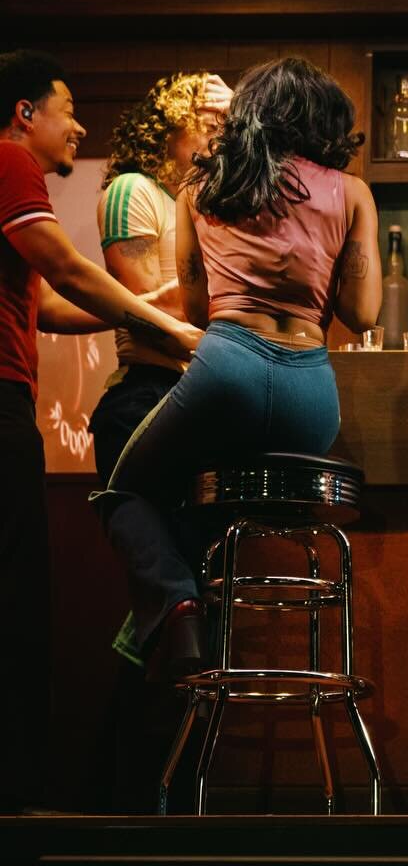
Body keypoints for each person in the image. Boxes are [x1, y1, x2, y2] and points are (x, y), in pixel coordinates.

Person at [93, 57, 381, 682]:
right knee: (205, 507)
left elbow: (198, 309)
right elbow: (363, 314)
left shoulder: (201, 188)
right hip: (312, 396)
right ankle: (180, 614)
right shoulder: (352, 191)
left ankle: (177, 606)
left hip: (226, 372)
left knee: (126, 489)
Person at [0, 49, 200, 812]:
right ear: (25, 113)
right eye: (68, 110)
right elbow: (69, 271)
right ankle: (18, 804)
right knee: (17, 601)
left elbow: (51, 306)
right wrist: (170, 329)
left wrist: (155, 308)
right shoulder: (10, 161)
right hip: (2, 402)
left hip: (13, 397)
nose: (78, 126)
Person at [90, 71, 233, 495]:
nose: (217, 140)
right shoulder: (133, 189)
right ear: (169, 128)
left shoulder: (196, 207)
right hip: (148, 391)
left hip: (194, 389)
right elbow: (144, 306)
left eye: (224, 128)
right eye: (207, 125)